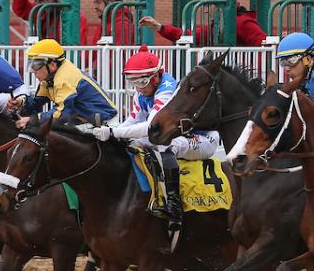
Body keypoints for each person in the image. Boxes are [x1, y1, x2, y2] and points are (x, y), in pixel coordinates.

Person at [91, 46, 220, 233]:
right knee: (132, 143)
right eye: (133, 81)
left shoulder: (167, 91)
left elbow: (150, 128)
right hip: (177, 136)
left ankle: (174, 204)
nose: (138, 87)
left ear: (156, 77)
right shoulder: (142, 93)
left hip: (203, 139)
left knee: (164, 144)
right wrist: (112, 131)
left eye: (142, 81)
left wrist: (114, 133)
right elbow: (132, 121)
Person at [7, 39, 116, 128]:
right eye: (31, 64)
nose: (32, 70)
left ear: (52, 65)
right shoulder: (49, 77)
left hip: (103, 123)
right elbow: (36, 103)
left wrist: (32, 120)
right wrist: (20, 102)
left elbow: (61, 113)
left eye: (36, 65)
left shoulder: (65, 78)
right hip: (83, 122)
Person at [140, 0, 266, 46]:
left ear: (218, 4)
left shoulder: (243, 22)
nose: (205, 11)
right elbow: (187, 35)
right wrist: (159, 27)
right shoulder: (214, 27)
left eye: (207, 6)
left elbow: (264, 46)